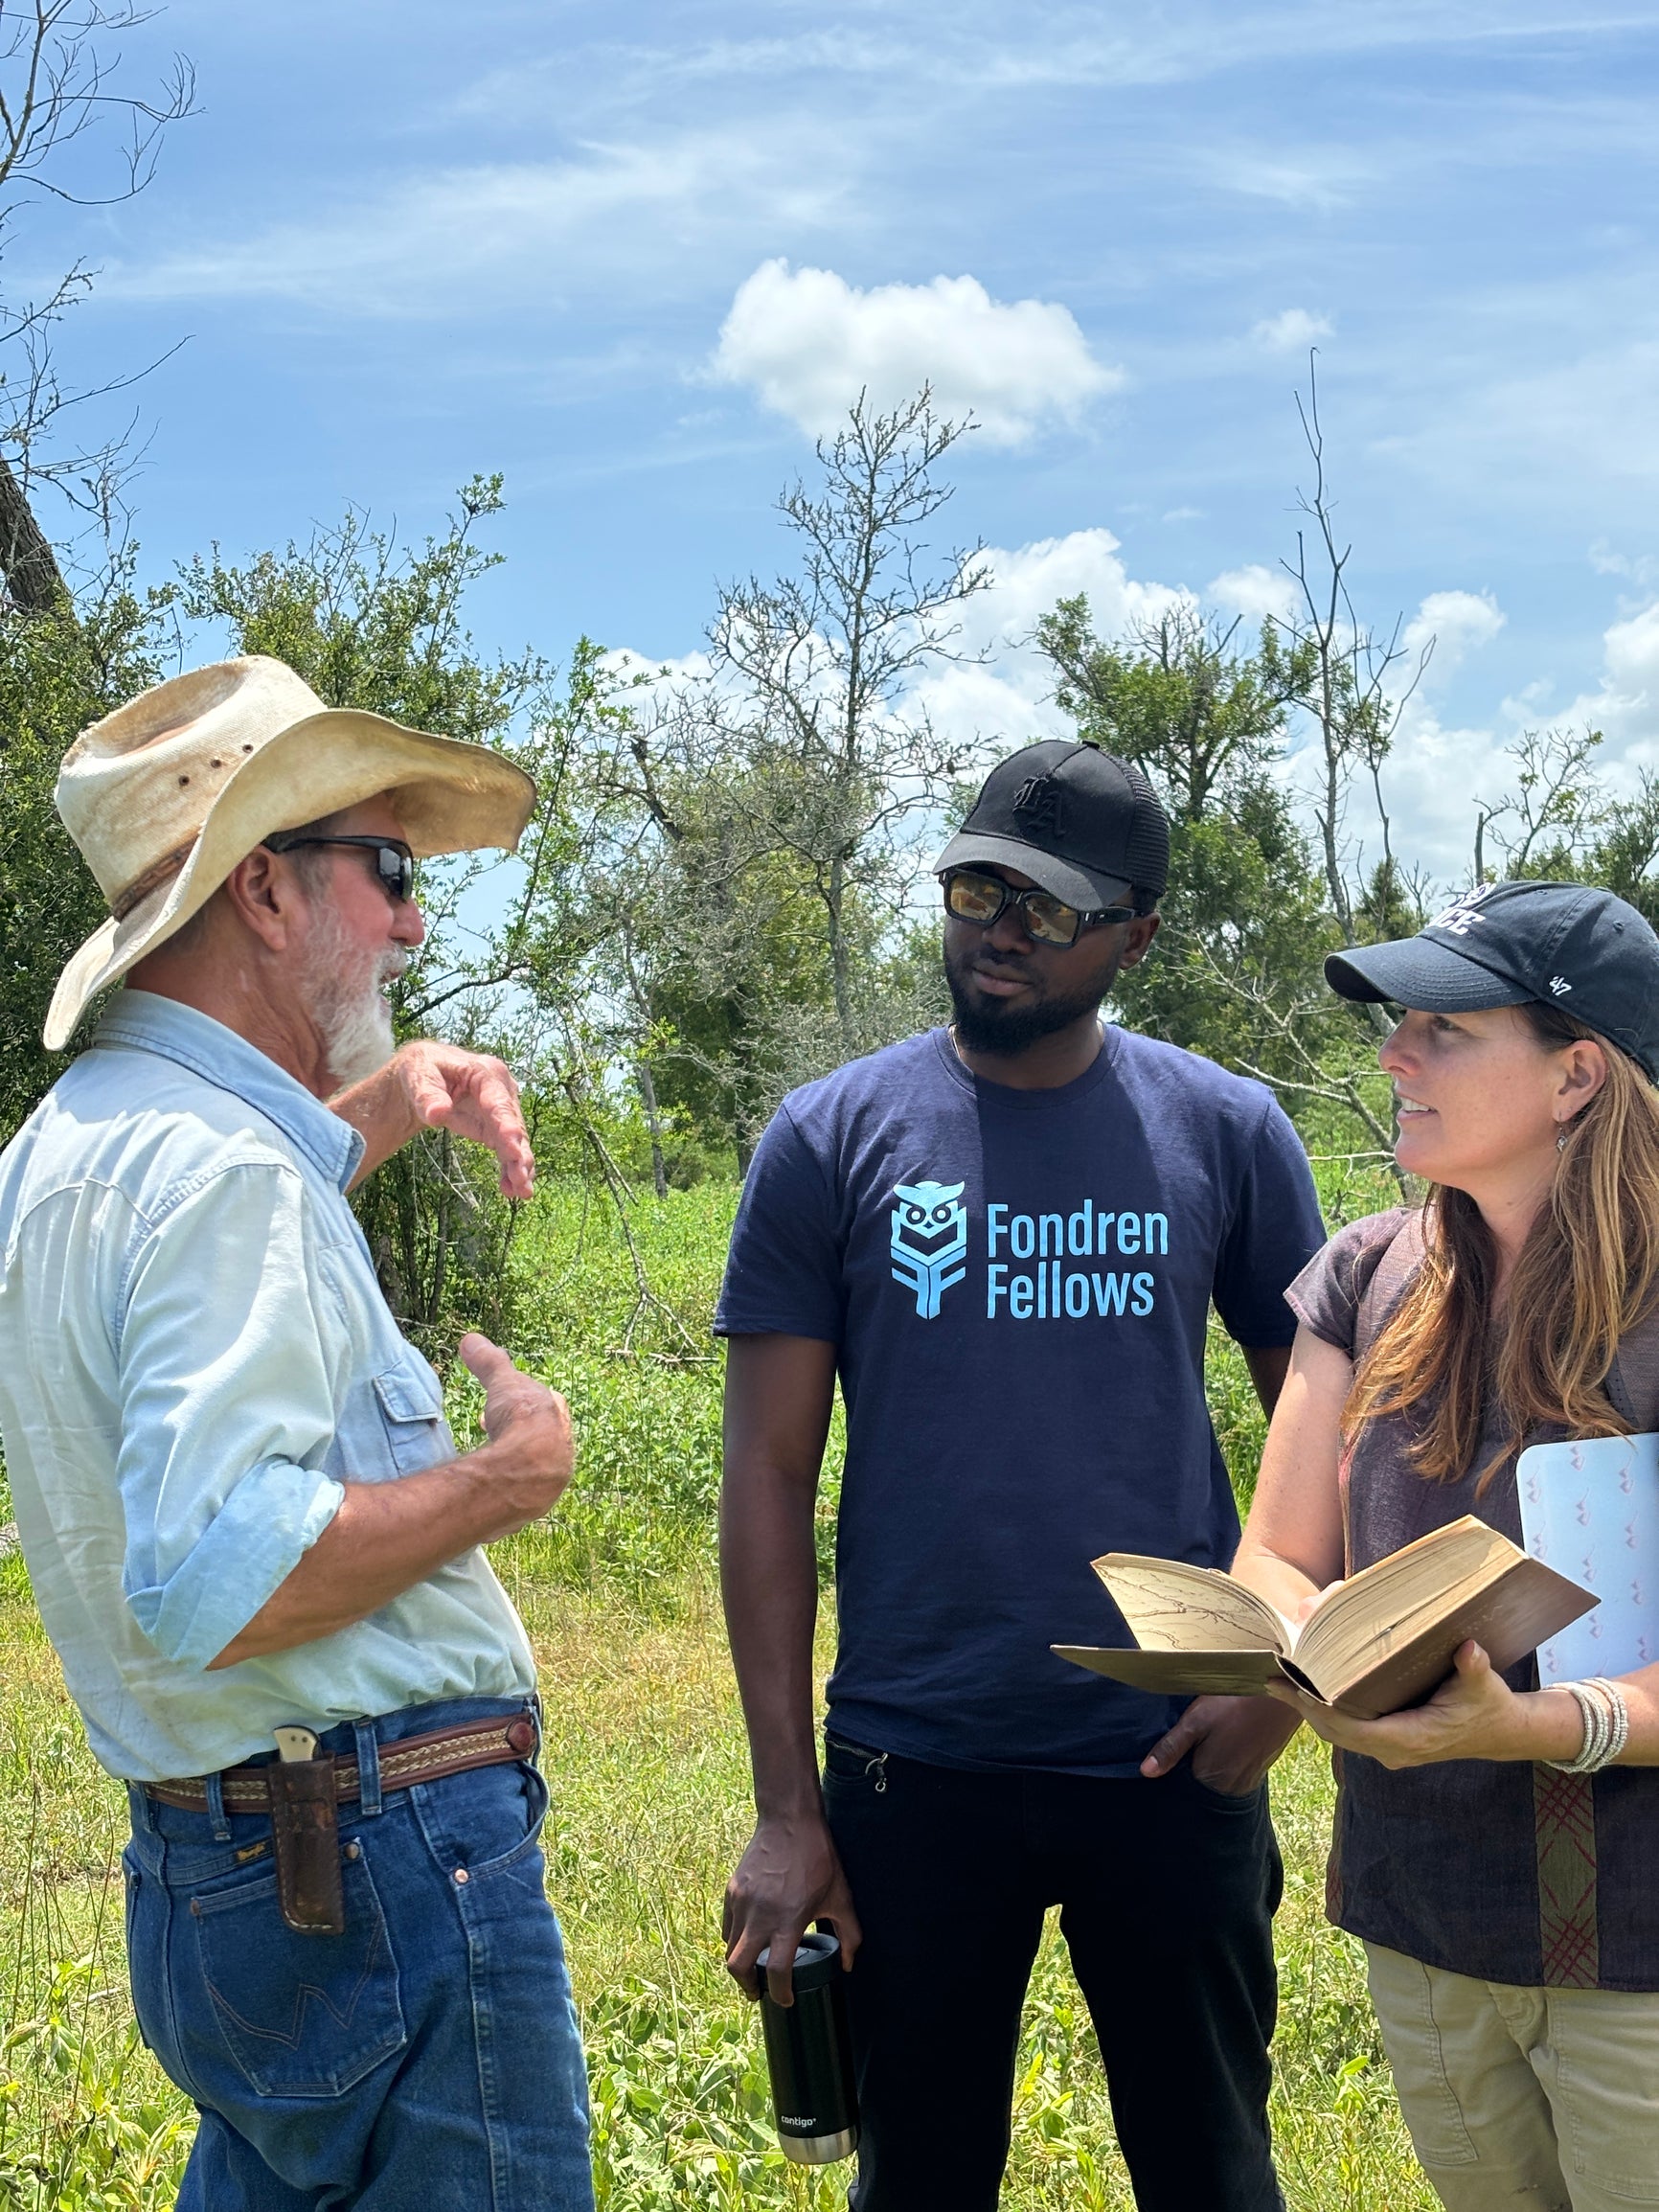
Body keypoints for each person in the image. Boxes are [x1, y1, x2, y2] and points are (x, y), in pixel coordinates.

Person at [0, 656, 595, 2210]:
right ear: (264, 891)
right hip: (384, 1856)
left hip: (225, 1874)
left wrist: (382, 1103)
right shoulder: (224, 1177)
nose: (411, 918)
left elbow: (194, 1297)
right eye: (387, 869)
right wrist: (500, 1478)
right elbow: (222, 1574)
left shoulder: (69, 1149)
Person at [716, 737, 1327, 2211]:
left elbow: (1339, 1439)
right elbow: (764, 1487)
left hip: (1173, 1756)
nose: (999, 926)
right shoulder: (833, 1137)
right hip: (914, 1764)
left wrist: (1285, 1675)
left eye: (1046, 907)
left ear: (1137, 932)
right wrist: (790, 1808)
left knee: (1212, 2171)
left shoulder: (1228, 1133)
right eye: (977, 885)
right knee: (919, 2181)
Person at [1217, 879, 1659, 2212]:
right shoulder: (1362, 1273)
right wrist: (1317, 1653)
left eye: (1444, 1028)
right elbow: (1276, 1555)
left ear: (1578, 1070)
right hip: (1428, 1927)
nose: (1395, 1056)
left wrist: (1521, 1726)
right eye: (1398, 1023)